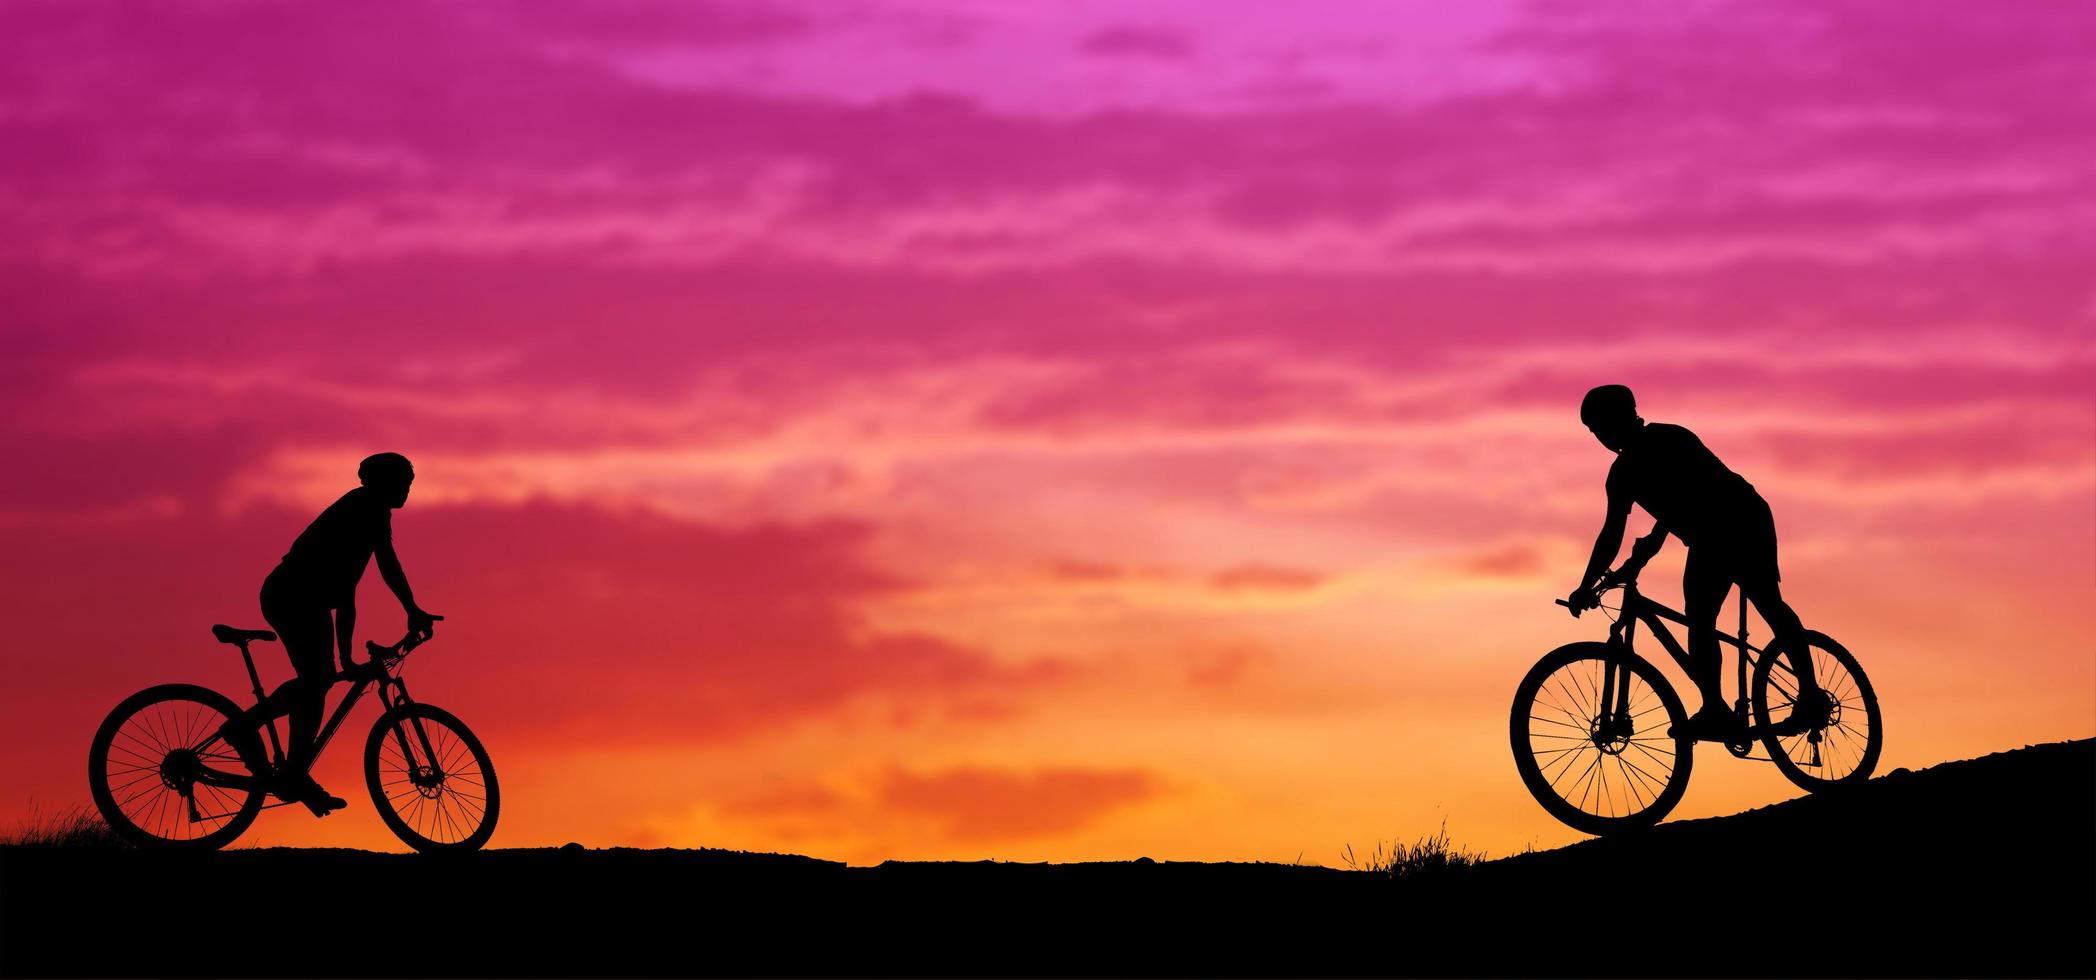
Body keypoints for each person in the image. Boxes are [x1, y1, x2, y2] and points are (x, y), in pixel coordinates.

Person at [1564, 385, 1818, 741]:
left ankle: (1809, 694)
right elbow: (1612, 533)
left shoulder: (1670, 439)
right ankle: (1715, 708)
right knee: (1700, 619)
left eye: (1601, 427)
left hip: (1740, 517)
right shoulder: (1621, 475)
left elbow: (1693, 496)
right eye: (1594, 431)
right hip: (1706, 536)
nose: (1601, 437)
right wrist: (1589, 583)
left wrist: (1639, 554)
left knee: (1762, 603)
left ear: (1624, 416)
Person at [218, 452, 440, 814]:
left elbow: (348, 591)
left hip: (306, 598)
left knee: (318, 684)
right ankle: (246, 731)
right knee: (318, 680)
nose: (408, 490)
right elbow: (376, 571)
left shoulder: (371, 510)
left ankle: (293, 773)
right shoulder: (363, 509)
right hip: (292, 595)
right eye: (403, 483)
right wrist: (405, 614)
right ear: (383, 484)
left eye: (410, 483)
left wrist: (352, 654)